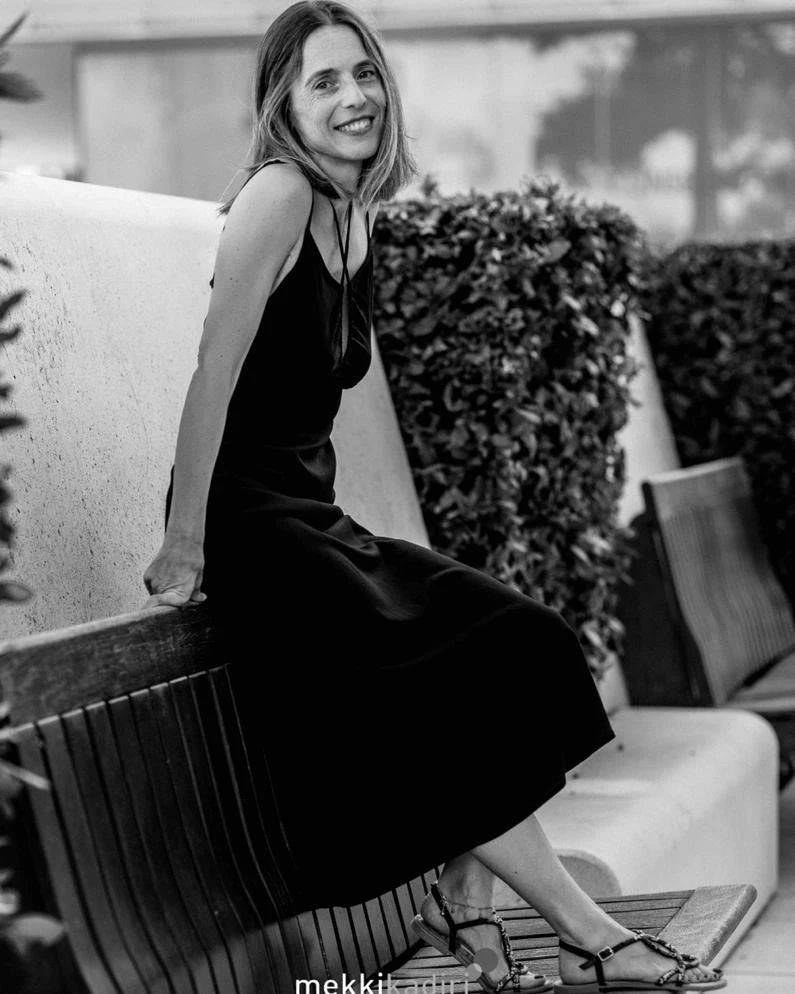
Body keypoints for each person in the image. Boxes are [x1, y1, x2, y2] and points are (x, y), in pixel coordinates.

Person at [142, 3, 726, 992]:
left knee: (520, 640)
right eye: (324, 81)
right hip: (253, 529)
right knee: (435, 702)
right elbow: (213, 373)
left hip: (311, 517)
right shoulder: (279, 195)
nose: (354, 96)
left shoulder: (353, 214)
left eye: (364, 72)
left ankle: (465, 901)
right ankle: (589, 935)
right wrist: (183, 541)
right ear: (283, 104)